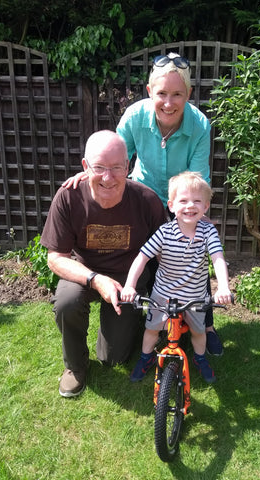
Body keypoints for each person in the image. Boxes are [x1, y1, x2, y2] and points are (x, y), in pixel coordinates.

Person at [63, 52, 224, 356]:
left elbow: (197, 177)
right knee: (147, 258)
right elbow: (114, 157)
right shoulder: (136, 116)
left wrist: (192, 213)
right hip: (140, 198)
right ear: (150, 92)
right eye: (161, 93)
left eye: (177, 94)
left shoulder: (200, 125)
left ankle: (207, 325)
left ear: (188, 94)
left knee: (192, 253)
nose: (168, 102)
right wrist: (88, 174)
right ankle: (152, 317)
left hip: (182, 200)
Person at [40, 130, 166, 398]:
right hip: (84, 273)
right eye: (99, 168)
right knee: (67, 301)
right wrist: (96, 280)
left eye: (116, 168)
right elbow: (55, 258)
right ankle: (74, 366)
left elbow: (164, 253)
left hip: (128, 281)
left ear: (127, 167)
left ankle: (126, 328)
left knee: (113, 359)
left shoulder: (147, 200)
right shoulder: (68, 197)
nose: (108, 178)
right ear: (85, 167)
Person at [121, 172, 232, 384]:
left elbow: (217, 258)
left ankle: (199, 358)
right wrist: (129, 285)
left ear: (206, 206)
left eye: (197, 201)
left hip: (195, 296)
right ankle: (146, 357)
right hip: (163, 295)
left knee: (199, 334)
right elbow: (142, 258)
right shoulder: (164, 232)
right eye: (183, 200)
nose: (190, 206)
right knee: (151, 330)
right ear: (171, 205)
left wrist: (223, 287)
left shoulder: (208, 232)